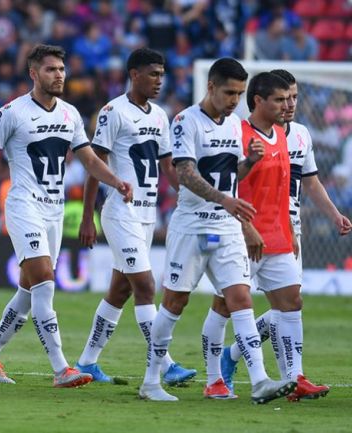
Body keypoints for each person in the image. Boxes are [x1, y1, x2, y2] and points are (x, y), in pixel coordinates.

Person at [0, 44, 133, 388]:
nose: (59, 75)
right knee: (45, 282)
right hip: (23, 205)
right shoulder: (11, 113)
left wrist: (115, 181)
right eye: (50, 69)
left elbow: (89, 159)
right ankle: (62, 368)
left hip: (53, 212)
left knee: (29, 293)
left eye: (61, 69)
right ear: (33, 73)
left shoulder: (71, 114)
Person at [138, 58, 296, 403]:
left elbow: (229, 174)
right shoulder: (185, 122)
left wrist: (249, 163)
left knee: (240, 299)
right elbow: (186, 174)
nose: (234, 100)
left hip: (225, 227)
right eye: (229, 92)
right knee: (174, 303)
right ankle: (151, 380)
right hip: (192, 225)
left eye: (240, 94)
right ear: (210, 86)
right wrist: (225, 200)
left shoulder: (234, 125)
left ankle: (259, 381)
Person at [218, 69, 351, 400]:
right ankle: (219, 368)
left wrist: (334, 214)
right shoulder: (243, 132)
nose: (290, 103)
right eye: (283, 97)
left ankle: (291, 377)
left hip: (287, 229)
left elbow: (311, 182)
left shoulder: (302, 135)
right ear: (263, 100)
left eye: (294, 97)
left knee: (288, 303)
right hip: (245, 226)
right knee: (228, 303)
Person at [74, 47, 196, 385]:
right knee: (144, 286)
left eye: (162, 74)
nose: (159, 80)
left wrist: (188, 194)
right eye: (153, 74)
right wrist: (88, 217)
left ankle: (86, 361)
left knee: (119, 292)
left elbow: (168, 167)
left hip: (147, 214)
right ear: (134, 75)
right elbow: (93, 165)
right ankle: (166, 365)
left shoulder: (160, 115)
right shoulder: (113, 112)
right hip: (119, 212)